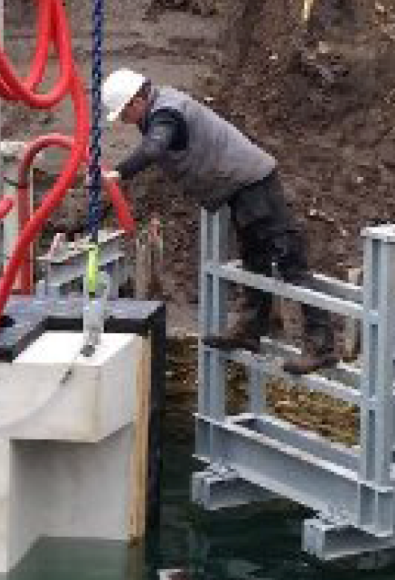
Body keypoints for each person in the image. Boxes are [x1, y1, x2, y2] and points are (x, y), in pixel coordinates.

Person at [99, 68, 337, 373]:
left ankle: (321, 346)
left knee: (290, 260)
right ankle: (251, 330)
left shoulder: (167, 113)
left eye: (124, 114)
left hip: (254, 183)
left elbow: (155, 147)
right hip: (238, 186)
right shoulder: (160, 109)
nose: (124, 121)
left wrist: (119, 173)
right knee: (255, 261)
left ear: (136, 101)